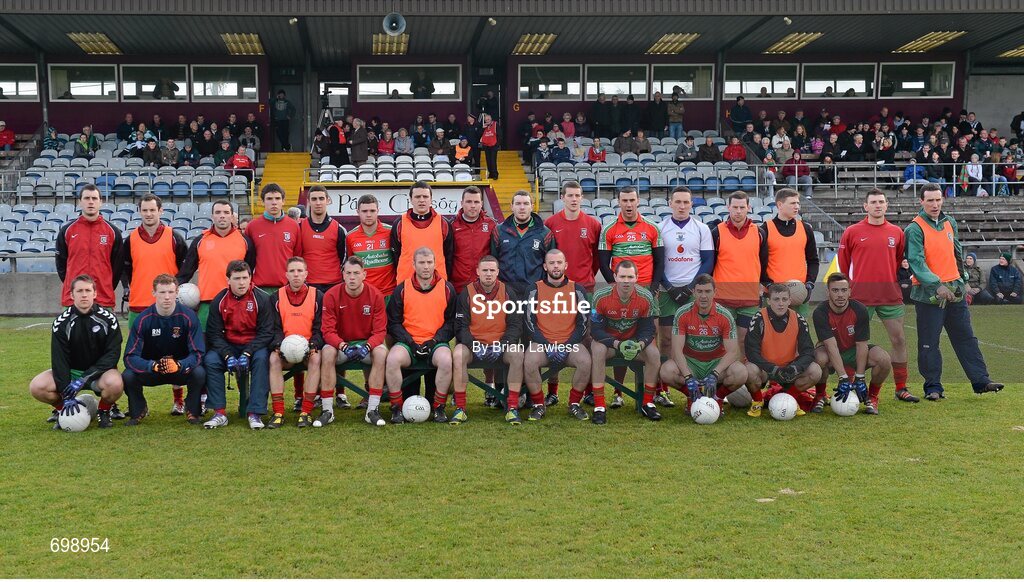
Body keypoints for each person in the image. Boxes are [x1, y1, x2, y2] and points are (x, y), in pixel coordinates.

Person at [904, 184, 1004, 399]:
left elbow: (956, 252)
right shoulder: (914, 229)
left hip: (955, 291)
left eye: (938, 199)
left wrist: (963, 280)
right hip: (929, 295)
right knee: (929, 342)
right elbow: (916, 262)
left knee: (966, 338)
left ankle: (981, 381)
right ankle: (933, 388)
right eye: (930, 200)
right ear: (921, 202)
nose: (935, 204)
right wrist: (936, 285)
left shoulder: (950, 222)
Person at [837, 189, 919, 403]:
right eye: (873, 202)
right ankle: (852, 385)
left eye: (881, 202)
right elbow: (844, 265)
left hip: (889, 295)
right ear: (865, 206)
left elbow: (900, 261)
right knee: (853, 342)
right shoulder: (852, 232)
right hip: (860, 297)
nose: (877, 205)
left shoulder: (896, 232)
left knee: (899, 339)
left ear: (886, 205)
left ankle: (901, 388)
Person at [120, 194, 189, 411]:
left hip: (170, 308)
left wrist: (176, 293)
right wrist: (129, 288)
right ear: (139, 212)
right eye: (145, 210)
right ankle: (140, 404)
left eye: (153, 210)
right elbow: (124, 268)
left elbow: (184, 269)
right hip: (139, 306)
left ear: (161, 211)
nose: (149, 214)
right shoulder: (130, 239)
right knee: (136, 356)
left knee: (176, 353)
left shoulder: (174, 237)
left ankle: (178, 401)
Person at [29, 275, 124, 429]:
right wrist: (66, 393)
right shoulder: (61, 323)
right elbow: (59, 359)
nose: (84, 294)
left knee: (116, 383)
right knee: (37, 386)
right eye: (79, 291)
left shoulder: (109, 319)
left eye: (88, 290)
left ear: (95, 294)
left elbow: (112, 355)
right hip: (71, 372)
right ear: (72, 295)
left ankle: (104, 411)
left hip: (99, 374)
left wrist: (85, 377)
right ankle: (63, 410)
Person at [451, 255, 527, 424]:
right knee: (458, 354)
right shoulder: (466, 292)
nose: (488, 274)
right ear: (477, 271)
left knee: (517, 354)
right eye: (484, 270)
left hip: (500, 346)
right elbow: (460, 326)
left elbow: (516, 325)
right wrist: (474, 345)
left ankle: (512, 407)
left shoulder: (508, 292)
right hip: (474, 346)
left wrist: (503, 345)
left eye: (492, 270)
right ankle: (460, 408)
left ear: (498, 272)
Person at [121, 274, 206, 425]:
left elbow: (198, 353)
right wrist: (152, 365)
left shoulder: (189, 317)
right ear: (154, 293)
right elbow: (129, 357)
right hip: (152, 370)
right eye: (162, 292)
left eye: (170, 292)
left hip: (178, 369)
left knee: (199, 372)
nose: (167, 297)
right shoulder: (142, 320)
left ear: (177, 293)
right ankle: (139, 409)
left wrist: (180, 364)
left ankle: (192, 410)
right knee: (128, 375)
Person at [385, 247, 457, 424]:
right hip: (409, 343)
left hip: (435, 343)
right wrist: (410, 341)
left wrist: (434, 341)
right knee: (393, 359)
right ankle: (396, 408)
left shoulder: (447, 288)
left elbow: (451, 323)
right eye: (422, 263)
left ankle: (439, 408)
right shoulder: (402, 289)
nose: (426, 267)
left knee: (447, 360)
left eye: (429, 262)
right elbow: (393, 323)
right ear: (413, 264)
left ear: (435, 263)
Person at [202, 260, 276, 429]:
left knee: (262, 359)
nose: (241, 282)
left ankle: (255, 413)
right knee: (211, 360)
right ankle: (219, 412)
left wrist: (247, 353)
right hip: (229, 345)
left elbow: (266, 333)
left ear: (250, 278)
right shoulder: (219, 301)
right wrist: (227, 355)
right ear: (228, 280)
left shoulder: (262, 298)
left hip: (254, 346)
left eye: (245, 277)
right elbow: (214, 333)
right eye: (236, 278)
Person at [657, 186, 714, 405]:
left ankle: (697, 385)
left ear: (692, 204)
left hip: (693, 292)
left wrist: (691, 287)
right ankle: (663, 389)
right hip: (666, 291)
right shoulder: (659, 228)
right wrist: (669, 287)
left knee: (695, 340)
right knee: (666, 341)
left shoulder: (701, 229)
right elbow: (657, 261)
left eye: (686, 202)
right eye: (678, 202)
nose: (682, 206)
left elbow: (708, 260)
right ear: (670, 203)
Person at [659, 274, 748, 412]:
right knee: (666, 371)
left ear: (715, 292)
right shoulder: (682, 313)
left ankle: (716, 398)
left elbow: (733, 352)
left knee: (741, 372)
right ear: (693, 292)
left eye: (707, 291)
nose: (703, 296)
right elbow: (676, 350)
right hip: (692, 362)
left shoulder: (725, 315)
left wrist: (715, 373)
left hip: (715, 362)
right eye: (699, 291)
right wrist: (688, 377)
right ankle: (692, 396)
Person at [522, 249, 592, 422]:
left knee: (585, 361)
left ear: (565, 265)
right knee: (529, 361)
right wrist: (546, 344)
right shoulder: (534, 289)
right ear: (545, 266)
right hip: (542, 343)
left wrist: (567, 344)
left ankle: (574, 403)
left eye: (559, 262)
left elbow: (583, 323)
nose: (555, 266)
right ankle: (539, 405)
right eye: (551, 263)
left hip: (569, 342)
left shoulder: (578, 290)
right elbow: (529, 322)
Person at [590, 260, 662, 424]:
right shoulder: (601, 296)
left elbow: (648, 329)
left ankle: (647, 403)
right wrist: (617, 344)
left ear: (637, 278)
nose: (626, 281)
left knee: (653, 353)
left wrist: (639, 344)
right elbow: (595, 330)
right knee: (598, 350)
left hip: (633, 341)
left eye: (630, 277)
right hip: (610, 343)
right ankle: (599, 406)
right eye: (622, 276)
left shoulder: (645, 297)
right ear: (615, 277)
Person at [321, 257, 390, 426]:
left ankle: (372, 410)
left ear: (364, 275)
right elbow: (327, 331)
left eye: (356, 273)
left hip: (365, 347)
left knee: (381, 352)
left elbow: (380, 331)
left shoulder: (375, 295)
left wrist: (367, 346)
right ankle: (327, 411)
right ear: (343, 275)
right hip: (342, 347)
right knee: (327, 351)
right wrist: (343, 346)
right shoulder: (331, 295)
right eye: (348, 273)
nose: (352, 277)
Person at [811, 273, 892, 415]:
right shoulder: (820, 312)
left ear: (850, 291)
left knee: (883, 359)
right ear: (828, 292)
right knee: (819, 358)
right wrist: (843, 378)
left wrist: (860, 377)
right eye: (835, 290)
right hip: (832, 351)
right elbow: (831, 347)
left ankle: (871, 397)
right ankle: (820, 394)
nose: (840, 295)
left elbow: (861, 345)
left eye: (843, 290)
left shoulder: (859, 309)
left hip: (853, 350)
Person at [743, 283, 822, 417]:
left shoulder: (799, 320)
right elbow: (751, 352)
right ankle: (757, 401)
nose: (781, 303)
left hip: (788, 369)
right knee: (749, 370)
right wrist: (772, 368)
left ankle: (789, 399)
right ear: (769, 301)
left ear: (790, 301)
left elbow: (808, 351)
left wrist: (795, 368)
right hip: (765, 369)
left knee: (815, 371)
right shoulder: (758, 318)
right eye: (776, 299)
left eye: (784, 299)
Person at [177, 199, 255, 328]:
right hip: (207, 304)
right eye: (218, 212)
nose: (222, 215)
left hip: (236, 303)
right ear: (212, 216)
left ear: (232, 216)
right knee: (205, 345)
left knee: (236, 343)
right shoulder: (200, 241)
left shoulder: (245, 241)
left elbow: (250, 272)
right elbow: (186, 272)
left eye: (226, 212)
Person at [267, 258, 325, 428]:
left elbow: (320, 326)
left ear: (306, 274)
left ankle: (306, 412)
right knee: (273, 359)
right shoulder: (276, 297)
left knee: (316, 360)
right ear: (286, 274)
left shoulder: (317, 295)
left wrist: (314, 344)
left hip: (308, 347)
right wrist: (278, 345)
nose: (296, 274)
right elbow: (274, 327)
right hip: (285, 349)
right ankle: (278, 412)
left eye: (300, 271)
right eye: (292, 271)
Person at [711, 191, 766, 358]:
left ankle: (740, 380)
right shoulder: (717, 232)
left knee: (744, 341)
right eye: (734, 207)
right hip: (722, 297)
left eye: (742, 207)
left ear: (748, 208)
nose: (738, 211)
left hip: (749, 297)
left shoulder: (759, 232)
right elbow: (711, 263)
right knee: (721, 342)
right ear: (728, 207)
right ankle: (722, 380)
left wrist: (763, 285)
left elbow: (764, 262)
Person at [56, 185, 123, 310]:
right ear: (80, 202)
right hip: (73, 300)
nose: (91, 202)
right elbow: (61, 265)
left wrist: (106, 285)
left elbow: (117, 267)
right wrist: (73, 286)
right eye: (86, 198)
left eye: (94, 198)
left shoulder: (113, 232)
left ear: (101, 202)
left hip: (103, 298)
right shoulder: (67, 231)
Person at [759, 189, 818, 318]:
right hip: (773, 294)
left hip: (799, 293)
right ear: (779, 205)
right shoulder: (765, 229)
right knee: (770, 336)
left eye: (798, 203)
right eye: (792, 203)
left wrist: (809, 284)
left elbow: (813, 260)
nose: (796, 206)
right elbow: (759, 263)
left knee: (799, 335)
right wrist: (768, 285)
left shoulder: (806, 228)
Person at [490, 190, 557, 293]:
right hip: (505, 292)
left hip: (535, 292)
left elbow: (550, 264)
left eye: (526, 203)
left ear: (532, 206)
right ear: (511, 206)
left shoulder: (545, 233)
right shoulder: (499, 231)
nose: (522, 207)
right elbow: (493, 261)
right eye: (518, 204)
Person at [247, 183, 301, 292]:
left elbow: (297, 256)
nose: (274, 202)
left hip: (286, 287)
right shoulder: (252, 226)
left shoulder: (294, 226)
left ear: (283, 201)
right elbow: (248, 259)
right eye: (269, 199)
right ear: (263, 202)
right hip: (260, 288)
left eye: (277, 198)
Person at [449, 186, 498, 293]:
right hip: (459, 286)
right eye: (469, 202)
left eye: (476, 202)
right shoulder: (452, 225)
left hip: (484, 286)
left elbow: (496, 254)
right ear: (462, 203)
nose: (472, 206)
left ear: (481, 203)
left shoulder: (491, 225)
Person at [479, 113, 499, 179]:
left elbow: (500, 134)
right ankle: (490, 174)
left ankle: (495, 174)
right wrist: (482, 128)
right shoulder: (484, 126)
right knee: (488, 160)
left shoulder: (495, 124)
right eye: (486, 120)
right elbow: (479, 135)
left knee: (493, 160)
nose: (487, 121)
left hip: (493, 145)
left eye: (488, 119)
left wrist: (498, 144)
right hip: (486, 145)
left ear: (491, 119)